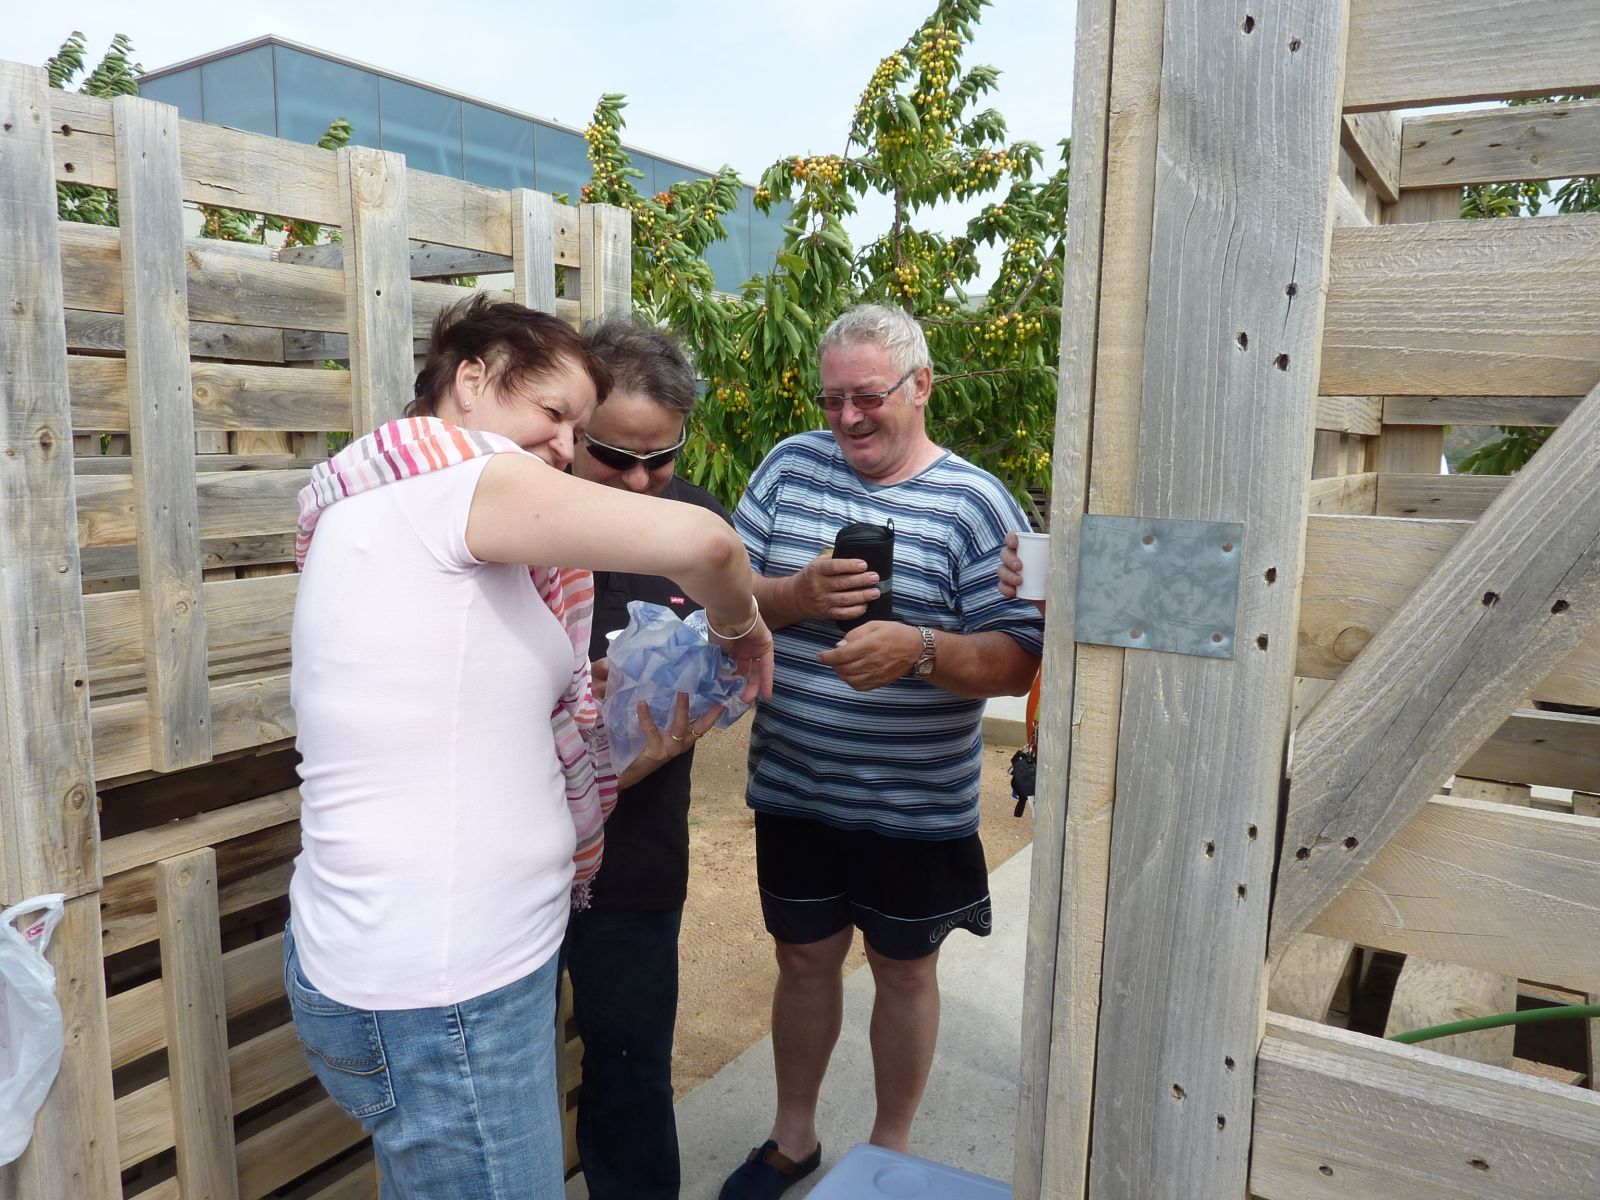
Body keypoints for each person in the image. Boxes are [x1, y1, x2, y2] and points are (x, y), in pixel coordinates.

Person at [285, 295, 772, 1200]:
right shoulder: (461, 482)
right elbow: (708, 546)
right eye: (554, 414)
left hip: (431, 966)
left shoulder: (397, 495)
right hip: (445, 987)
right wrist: (744, 629)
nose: (561, 446)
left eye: (574, 429)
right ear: (470, 379)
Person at [719, 304, 1043, 1198]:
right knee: (803, 959)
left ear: (921, 385)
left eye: (867, 396)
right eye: (832, 400)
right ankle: (792, 1137)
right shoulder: (790, 466)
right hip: (794, 786)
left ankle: (888, 1153)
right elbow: (726, 588)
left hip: (912, 804)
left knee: (903, 972)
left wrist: (922, 651)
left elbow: (1020, 658)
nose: (848, 418)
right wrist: (794, 596)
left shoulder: (975, 504)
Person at [563, 316, 729, 1200]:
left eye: (659, 460)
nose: (637, 482)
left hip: (635, 855)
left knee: (631, 1072)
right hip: (518, 855)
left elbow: (731, 664)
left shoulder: (698, 525)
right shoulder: (519, 516)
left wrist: (672, 712)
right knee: (508, 1074)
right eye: (613, 457)